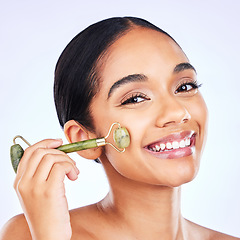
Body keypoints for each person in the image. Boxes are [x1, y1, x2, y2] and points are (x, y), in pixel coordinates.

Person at [0, 16, 239, 240]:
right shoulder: (28, 233)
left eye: (185, 86)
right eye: (135, 99)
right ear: (83, 136)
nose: (177, 112)